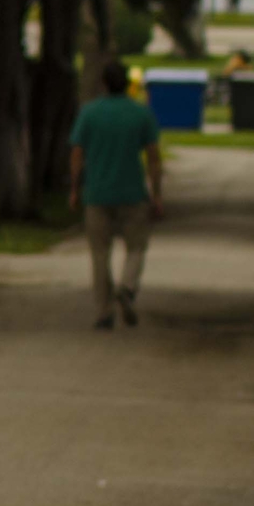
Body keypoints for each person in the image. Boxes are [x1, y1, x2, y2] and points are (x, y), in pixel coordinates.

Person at [69, 58, 165, 328]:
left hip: (97, 193)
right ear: (128, 84)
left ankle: (103, 312)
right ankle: (128, 286)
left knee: (100, 255)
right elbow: (154, 158)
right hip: (132, 193)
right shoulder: (140, 113)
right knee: (136, 248)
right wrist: (156, 195)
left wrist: (75, 189)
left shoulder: (90, 113)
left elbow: (77, 154)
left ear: (103, 83)